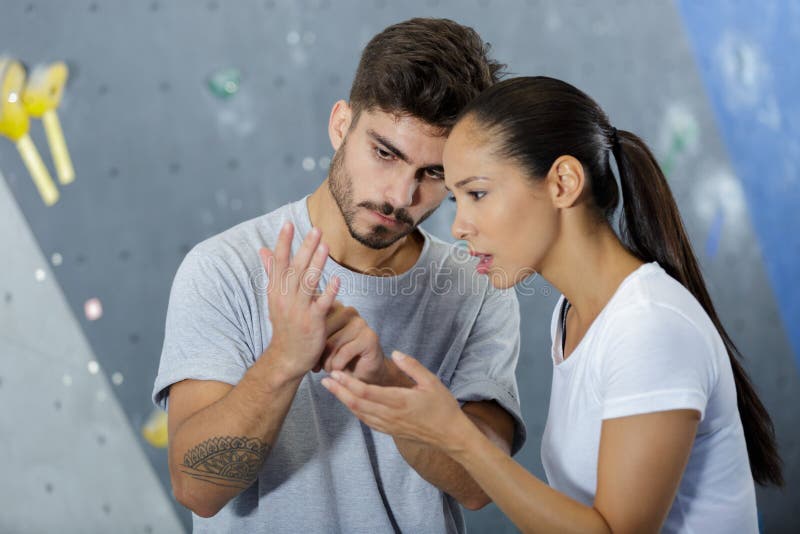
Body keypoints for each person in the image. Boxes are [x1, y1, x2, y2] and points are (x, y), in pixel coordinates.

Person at [322, 76, 784, 533]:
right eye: (457, 197)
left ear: (563, 182)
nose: (459, 226)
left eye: (478, 193)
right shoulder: (572, 315)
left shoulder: (649, 326)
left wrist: (459, 437)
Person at [153, 18, 528, 534]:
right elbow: (197, 487)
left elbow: (480, 486)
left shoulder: (477, 289)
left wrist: (384, 383)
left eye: (432, 174)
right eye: (384, 153)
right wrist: (284, 361)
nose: (400, 195)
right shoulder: (223, 268)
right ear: (340, 125)